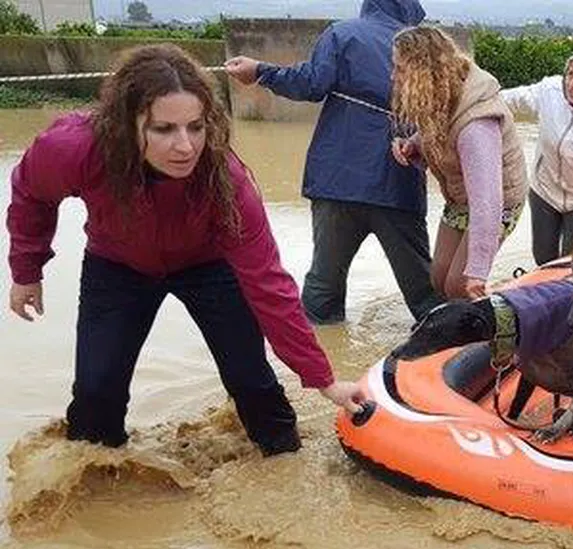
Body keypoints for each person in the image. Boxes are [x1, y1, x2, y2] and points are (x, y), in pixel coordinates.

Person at [6, 44, 364, 456]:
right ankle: (95, 493)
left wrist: (324, 380)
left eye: (196, 127)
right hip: (118, 265)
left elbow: (269, 286)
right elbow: (31, 195)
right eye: (164, 129)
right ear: (125, 123)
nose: (185, 147)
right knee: (96, 391)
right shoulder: (73, 149)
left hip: (208, 265)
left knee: (252, 380)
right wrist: (26, 269)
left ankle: (284, 459)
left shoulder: (228, 183)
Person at [223, 0, 440, 325]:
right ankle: (457, 361)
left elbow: (311, 83)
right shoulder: (423, 47)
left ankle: (320, 368)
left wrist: (260, 72)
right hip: (396, 183)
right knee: (426, 294)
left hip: (336, 182)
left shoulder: (342, 34)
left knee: (322, 292)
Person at [389, 26, 528, 299]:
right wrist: (414, 144)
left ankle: (482, 332)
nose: (394, 77)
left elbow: (488, 202)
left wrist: (478, 270)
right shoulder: (440, 92)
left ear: (422, 72)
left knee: (459, 284)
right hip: (462, 197)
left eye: (400, 69)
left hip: (497, 203)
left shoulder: (477, 127)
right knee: (438, 277)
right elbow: (442, 128)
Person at [499, 45, 573, 266]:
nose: (572, 84)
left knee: (572, 263)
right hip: (544, 190)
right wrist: (482, 100)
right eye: (570, 74)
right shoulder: (550, 91)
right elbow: (513, 99)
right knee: (543, 257)